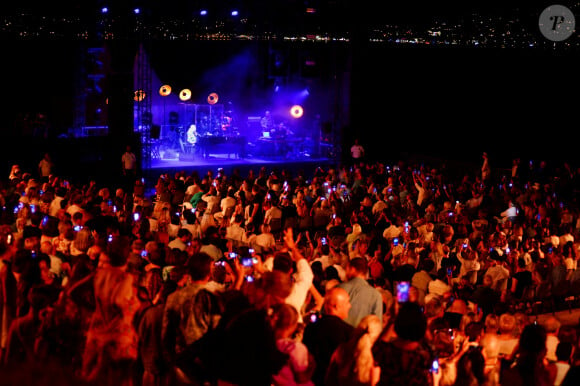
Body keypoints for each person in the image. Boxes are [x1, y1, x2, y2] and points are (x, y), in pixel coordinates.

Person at [303, 286, 354, 386]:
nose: (350, 306)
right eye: (347, 302)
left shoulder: (310, 328)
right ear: (336, 306)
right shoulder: (348, 332)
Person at [338, 257, 383, 327]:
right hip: (361, 336)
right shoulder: (376, 295)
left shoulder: (338, 289)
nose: (345, 272)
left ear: (352, 269)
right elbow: (377, 326)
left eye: (346, 269)